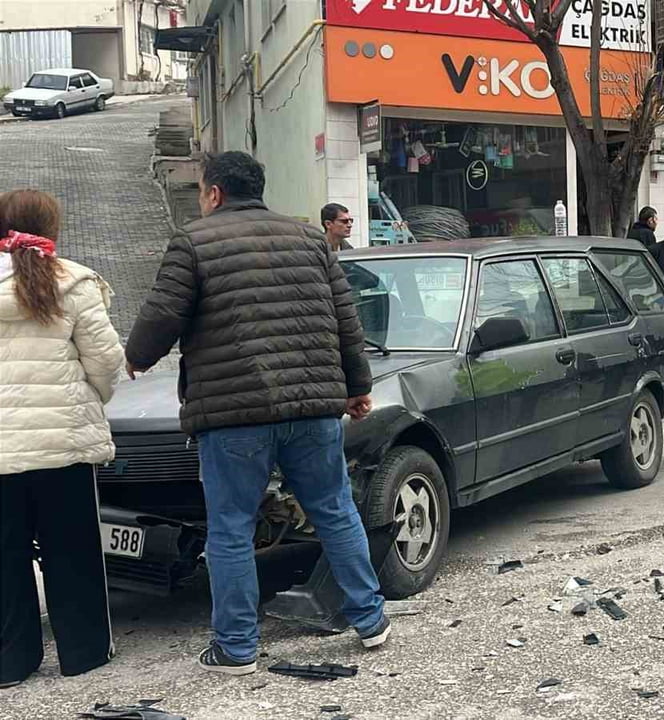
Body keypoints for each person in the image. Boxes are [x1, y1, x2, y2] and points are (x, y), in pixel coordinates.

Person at [125, 152, 390, 676]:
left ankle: (237, 648)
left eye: (202, 190)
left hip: (233, 416)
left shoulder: (194, 243)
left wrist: (137, 357)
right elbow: (346, 320)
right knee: (335, 511)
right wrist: (357, 387)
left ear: (215, 193)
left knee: (230, 528)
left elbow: (162, 314)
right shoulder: (311, 239)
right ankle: (370, 620)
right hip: (313, 407)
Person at [0, 190, 125, 689]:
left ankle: (11, 662)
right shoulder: (74, 281)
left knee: (5, 560)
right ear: (52, 229)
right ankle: (84, 653)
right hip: (65, 446)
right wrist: (89, 395)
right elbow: (107, 360)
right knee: (72, 552)